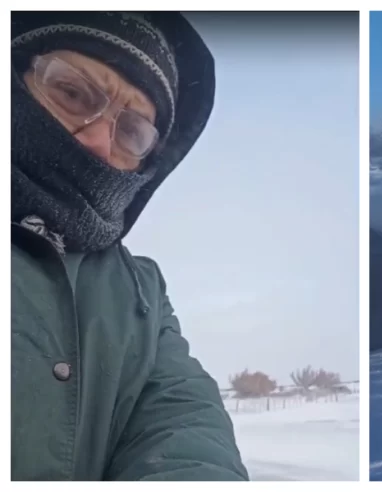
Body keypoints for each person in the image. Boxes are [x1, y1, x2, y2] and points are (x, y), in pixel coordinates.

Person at [11, 12, 249, 481]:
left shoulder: (140, 293)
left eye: (132, 132)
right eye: (73, 93)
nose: (100, 143)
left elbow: (182, 426)